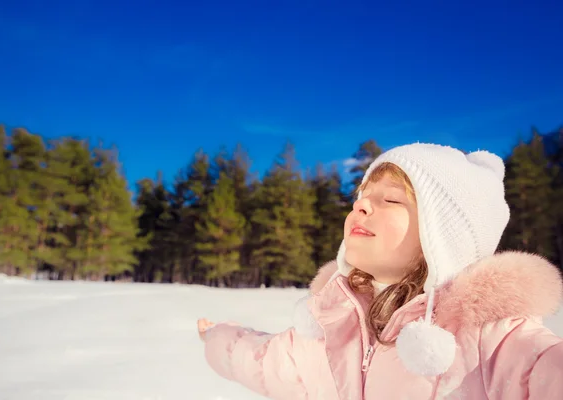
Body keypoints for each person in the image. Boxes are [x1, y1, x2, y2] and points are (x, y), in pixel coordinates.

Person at [197, 143, 563, 399]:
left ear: (445, 238)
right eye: (359, 198)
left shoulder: (497, 342)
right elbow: (263, 362)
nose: (361, 207)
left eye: (389, 199)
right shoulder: (329, 326)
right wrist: (220, 337)